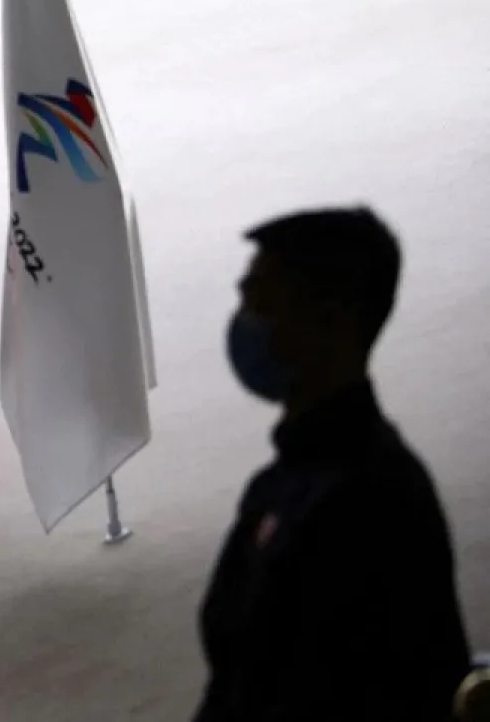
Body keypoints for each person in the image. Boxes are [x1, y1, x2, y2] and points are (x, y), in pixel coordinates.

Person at [195, 207, 472, 721]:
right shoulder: (280, 484)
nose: (243, 321)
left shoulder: (374, 501)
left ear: (330, 320)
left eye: (260, 300)